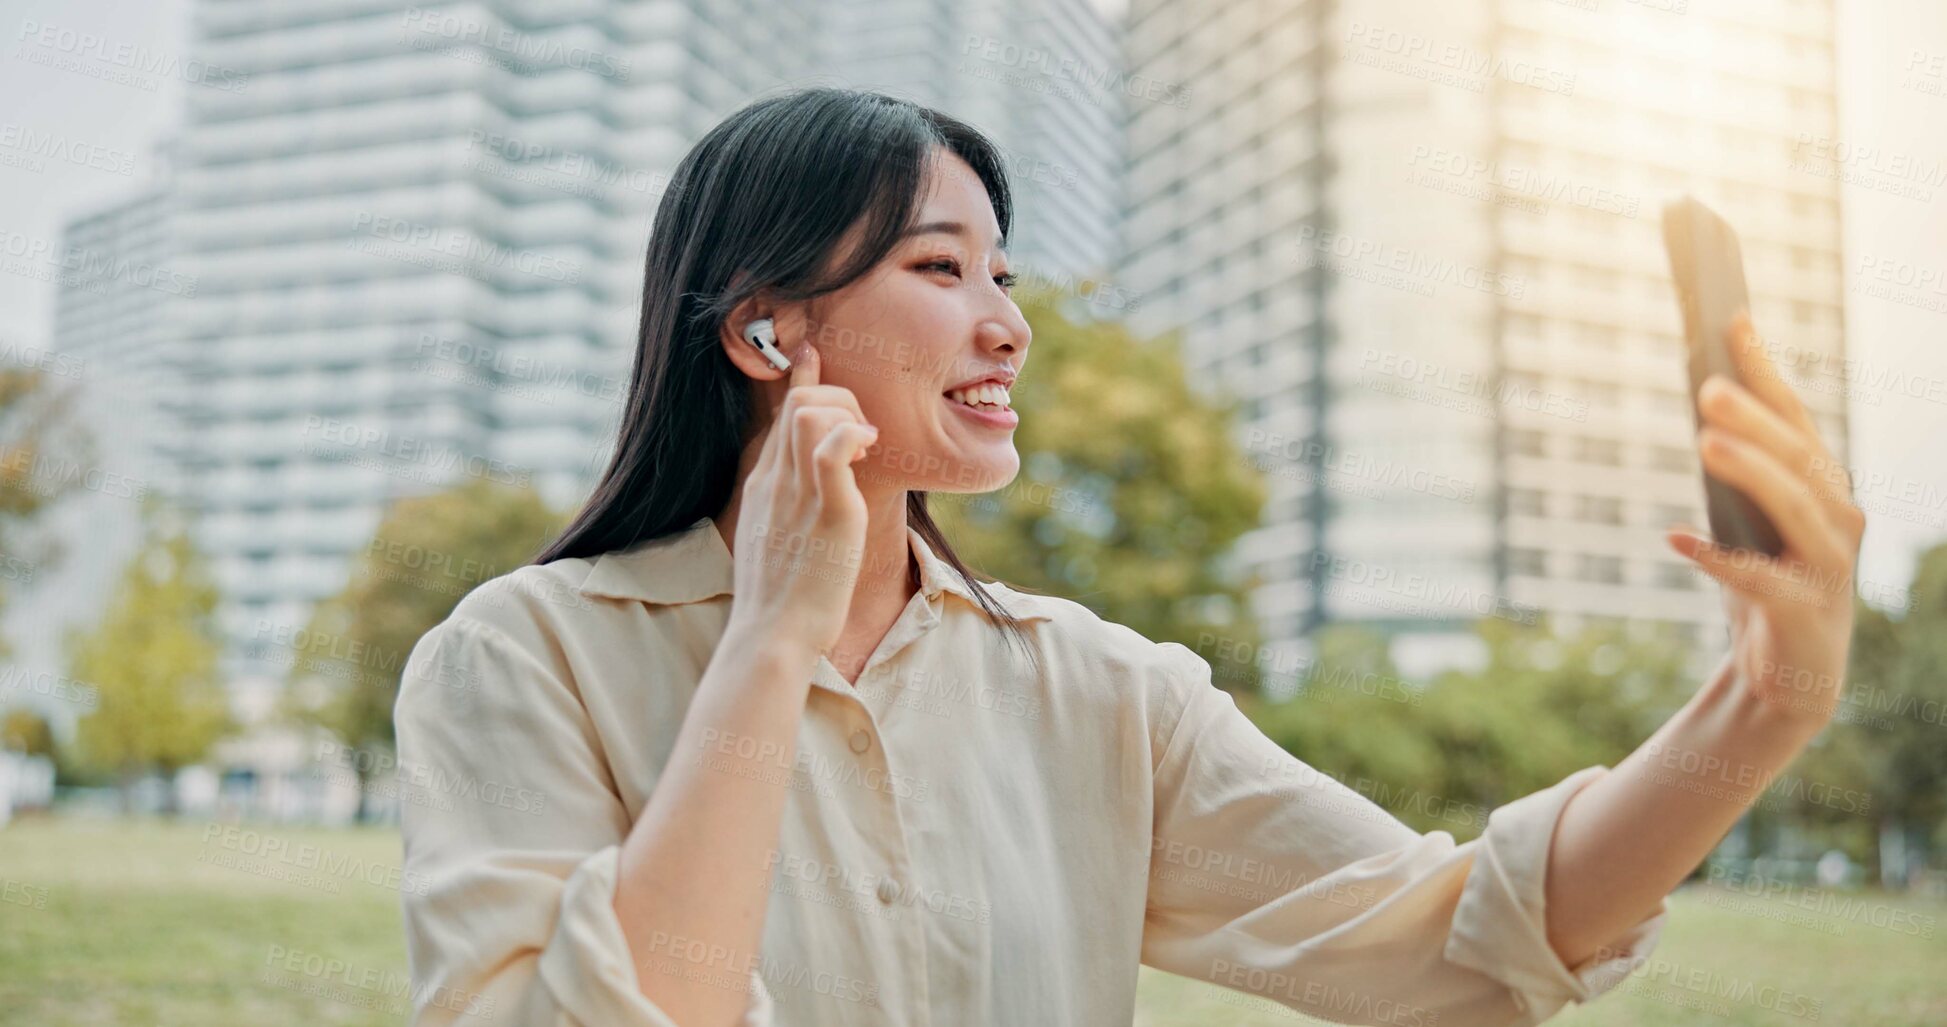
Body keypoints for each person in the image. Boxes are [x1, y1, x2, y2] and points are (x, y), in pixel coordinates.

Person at [393, 87, 1865, 1027]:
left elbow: (1463, 939)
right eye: (938, 266)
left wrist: (1765, 706)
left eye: (1005, 274)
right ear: (771, 331)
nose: (1009, 322)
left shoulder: (1098, 693)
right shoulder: (520, 658)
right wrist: (770, 645)